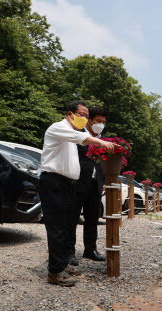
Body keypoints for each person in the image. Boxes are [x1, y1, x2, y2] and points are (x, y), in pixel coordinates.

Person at [39, 101, 117, 286]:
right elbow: (83, 138)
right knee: (58, 227)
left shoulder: (76, 134)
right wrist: (101, 142)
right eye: (81, 114)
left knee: (66, 226)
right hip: (53, 181)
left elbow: (85, 137)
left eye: (86, 116)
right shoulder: (58, 128)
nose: (84, 119)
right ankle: (55, 272)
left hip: (67, 184)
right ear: (69, 114)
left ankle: (62, 263)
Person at [68, 107, 108, 266]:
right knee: (71, 218)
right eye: (98, 121)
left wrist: (103, 182)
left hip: (95, 184)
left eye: (103, 122)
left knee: (93, 218)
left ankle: (90, 249)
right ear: (89, 120)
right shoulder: (78, 134)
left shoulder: (103, 140)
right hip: (77, 181)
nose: (101, 125)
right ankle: (69, 251)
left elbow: (103, 164)